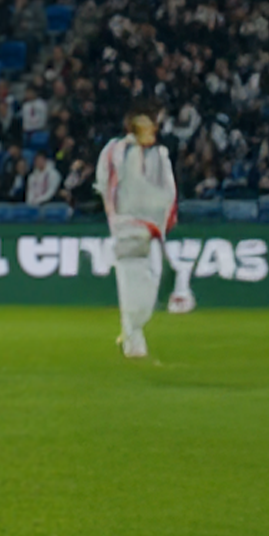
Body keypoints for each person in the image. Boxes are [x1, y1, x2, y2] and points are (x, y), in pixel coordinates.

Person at [96, 100, 178, 359]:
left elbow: (168, 190)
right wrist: (116, 215)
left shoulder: (159, 155)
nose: (152, 128)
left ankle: (132, 334)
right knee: (132, 287)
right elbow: (105, 182)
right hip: (127, 228)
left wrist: (163, 218)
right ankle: (134, 342)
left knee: (146, 289)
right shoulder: (116, 151)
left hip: (150, 230)